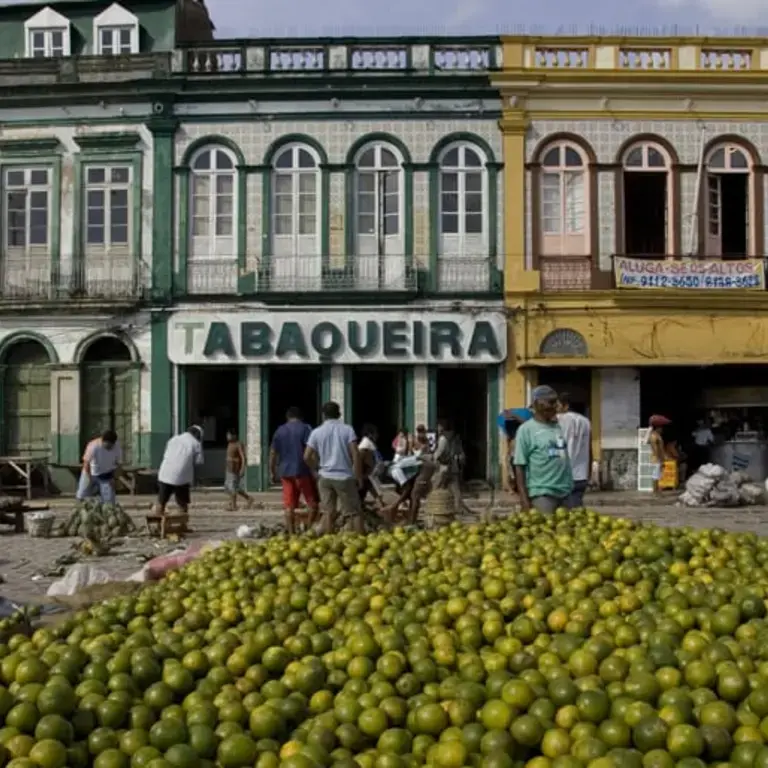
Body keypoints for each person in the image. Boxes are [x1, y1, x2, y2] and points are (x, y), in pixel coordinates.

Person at [304, 401, 363, 534]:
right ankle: (361, 540)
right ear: (339, 414)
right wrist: (358, 476)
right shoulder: (347, 430)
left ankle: (330, 543)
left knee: (329, 513)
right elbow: (356, 454)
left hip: (325, 477)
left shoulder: (316, 432)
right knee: (354, 512)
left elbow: (306, 456)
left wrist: (316, 469)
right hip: (344, 477)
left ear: (323, 415)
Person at [513, 385, 573, 514]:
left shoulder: (557, 427)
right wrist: (524, 499)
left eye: (555, 402)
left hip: (566, 492)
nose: (554, 406)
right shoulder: (526, 430)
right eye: (550, 402)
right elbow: (519, 466)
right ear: (536, 404)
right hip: (543, 493)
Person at [269, 407, 318, 534]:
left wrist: (272, 471)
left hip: (285, 472)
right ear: (301, 417)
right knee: (312, 503)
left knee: (289, 505)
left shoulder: (279, 430)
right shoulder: (306, 428)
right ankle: (308, 529)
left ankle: (291, 533)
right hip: (303, 471)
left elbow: (273, 453)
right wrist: (315, 468)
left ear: (287, 417)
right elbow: (311, 451)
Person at [155, 425, 204, 521]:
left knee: (161, 501)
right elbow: (199, 461)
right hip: (182, 477)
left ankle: (158, 524)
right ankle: (182, 524)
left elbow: (166, 453)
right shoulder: (196, 443)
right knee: (182, 503)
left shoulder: (174, 439)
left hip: (165, 473)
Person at [556, 393, 592, 508]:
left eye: (557, 405)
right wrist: (589, 472)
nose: (556, 408)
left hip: (562, 474)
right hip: (581, 475)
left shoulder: (558, 420)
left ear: (565, 406)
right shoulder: (586, 422)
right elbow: (589, 449)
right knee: (576, 512)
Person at [433, 418, 470, 516]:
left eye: (438, 426)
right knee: (455, 489)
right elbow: (460, 451)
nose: (437, 428)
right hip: (453, 466)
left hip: (443, 467)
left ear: (441, 427)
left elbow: (439, 452)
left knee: (436, 487)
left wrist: (433, 458)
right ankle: (458, 508)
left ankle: (434, 508)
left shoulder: (443, 438)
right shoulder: (455, 437)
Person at [76, 429, 122, 504]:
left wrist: (115, 479)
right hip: (90, 472)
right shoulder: (94, 446)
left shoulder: (117, 447)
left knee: (109, 502)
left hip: (106, 476)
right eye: (107, 445)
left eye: (111, 446)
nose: (109, 448)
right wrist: (88, 478)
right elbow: (86, 463)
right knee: (82, 495)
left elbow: (119, 465)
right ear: (102, 441)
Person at [358, 424, 386, 508]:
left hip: (369, 472)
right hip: (368, 472)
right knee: (372, 488)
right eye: (375, 433)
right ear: (370, 434)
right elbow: (364, 459)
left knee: (371, 488)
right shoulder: (366, 445)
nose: (377, 436)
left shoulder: (368, 443)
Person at [225, 429, 253, 511]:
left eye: (229, 435)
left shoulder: (238, 444)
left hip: (235, 469)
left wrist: (243, 468)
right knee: (231, 488)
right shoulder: (230, 444)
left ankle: (234, 506)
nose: (227, 437)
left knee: (233, 487)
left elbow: (243, 457)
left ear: (234, 436)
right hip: (228, 469)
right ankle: (248, 498)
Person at [647, 416, 669, 494]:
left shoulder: (657, 435)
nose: (662, 429)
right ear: (657, 428)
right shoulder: (654, 436)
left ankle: (657, 490)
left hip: (658, 458)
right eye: (660, 428)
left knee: (658, 475)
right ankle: (655, 491)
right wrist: (660, 458)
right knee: (655, 475)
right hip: (656, 458)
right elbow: (656, 449)